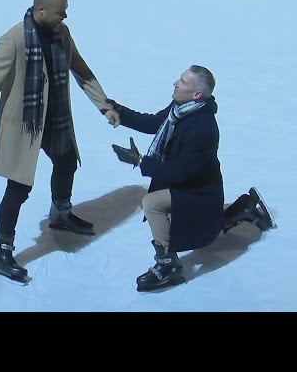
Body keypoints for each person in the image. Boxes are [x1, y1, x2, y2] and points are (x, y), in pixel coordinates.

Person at [0, 0, 119, 283]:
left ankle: (61, 214)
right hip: (23, 124)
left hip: (55, 117)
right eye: (59, 12)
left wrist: (104, 105)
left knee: (66, 162)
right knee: (18, 188)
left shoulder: (62, 35)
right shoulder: (14, 40)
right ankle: (1, 250)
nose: (64, 17)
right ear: (40, 10)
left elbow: (81, 69)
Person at [108, 65, 276, 292]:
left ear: (197, 94)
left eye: (183, 82)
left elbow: (180, 174)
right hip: (188, 183)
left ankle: (168, 265)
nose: (176, 83)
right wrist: (116, 109)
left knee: (152, 204)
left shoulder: (203, 129)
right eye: (180, 78)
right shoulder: (181, 108)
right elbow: (152, 123)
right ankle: (243, 209)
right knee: (189, 219)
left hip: (199, 192)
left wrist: (140, 161)